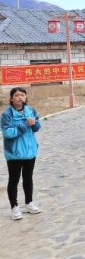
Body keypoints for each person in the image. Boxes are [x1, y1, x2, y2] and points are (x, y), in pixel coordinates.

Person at [2, 87, 42, 220]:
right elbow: (8, 133)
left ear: (26, 97)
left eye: (23, 95)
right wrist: (25, 125)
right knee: (14, 180)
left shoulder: (30, 110)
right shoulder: (6, 114)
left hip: (30, 151)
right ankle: (14, 207)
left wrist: (34, 123)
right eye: (17, 95)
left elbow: (37, 128)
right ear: (11, 98)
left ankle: (29, 203)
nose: (20, 97)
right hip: (14, 153)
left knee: (28, 177)